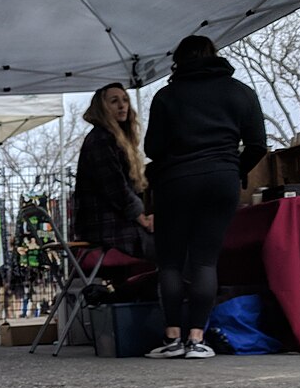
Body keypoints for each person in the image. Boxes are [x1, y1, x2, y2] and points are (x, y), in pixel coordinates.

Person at [142, 35, 267, 359]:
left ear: (178, 61)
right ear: (214, 56)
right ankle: (197, 340)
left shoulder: (166, 96)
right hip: (221, 180)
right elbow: (257, 145)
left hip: (175, 182)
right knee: (205, 260)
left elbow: (152, 149)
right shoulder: (241, 92)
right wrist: (232, 168)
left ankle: (172, 339)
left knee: (170, 261)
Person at [73, 82, 155, 261]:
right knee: (172, 246)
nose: (122, 105)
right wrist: (142, 218)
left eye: (125, 100)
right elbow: (115, 187)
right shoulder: (101, 140)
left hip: (112, 222)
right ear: (102, 108)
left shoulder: (112, 138)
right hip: (106, 226)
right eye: (114, 101)